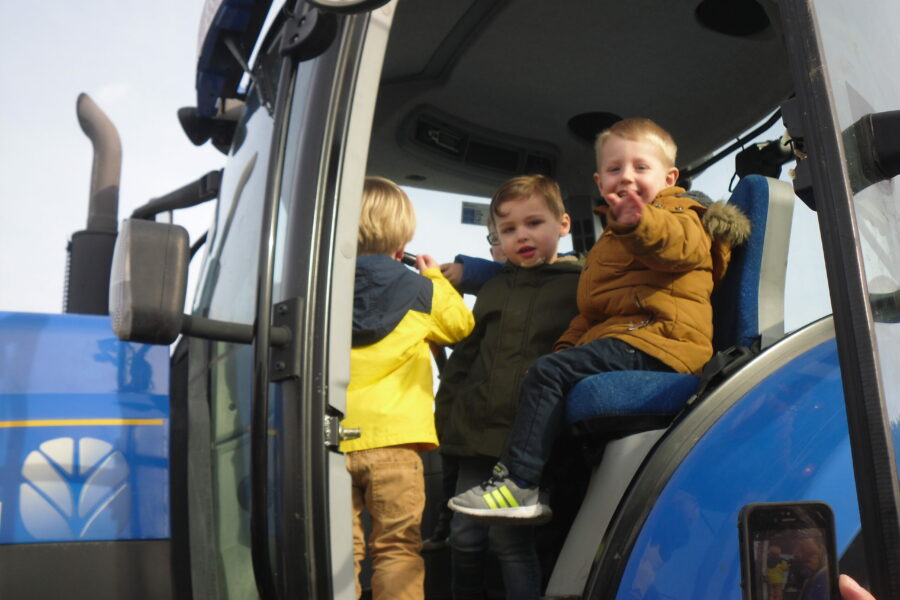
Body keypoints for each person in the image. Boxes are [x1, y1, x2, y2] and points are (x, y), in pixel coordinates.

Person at [449, 117, 751, 522]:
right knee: (547, 374)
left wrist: (640, 221)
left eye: (640, 167)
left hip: (661, 341)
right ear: (599, 181)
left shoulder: (686, 213)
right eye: (614, 169)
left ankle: (519, 483)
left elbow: (677, 248)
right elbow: (590, 313)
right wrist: (561, 354)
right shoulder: (610, 242)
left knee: (549, 373)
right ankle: (550, 496)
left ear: (670, 176)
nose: (626, 177)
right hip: (630, 338)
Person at [435, 174, 581, 599]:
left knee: (510, 542)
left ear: (564, 225)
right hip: (476, 433)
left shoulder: (578, 285)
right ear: (497, 238)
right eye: (509, 230)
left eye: (534, 223)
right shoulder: (494, 287)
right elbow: (463, 360)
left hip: (528, 440)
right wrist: (446, 420)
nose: (523, 236)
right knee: (463, 535)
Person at [341, 176, 474, 600]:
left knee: (341, 551)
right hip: (397, 446)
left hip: (333, 444)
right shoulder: (421, 291)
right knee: (397, 549)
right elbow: (460, 326)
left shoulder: (324, 290)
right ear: (403, 241)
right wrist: (434, 278)